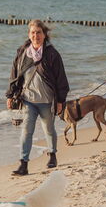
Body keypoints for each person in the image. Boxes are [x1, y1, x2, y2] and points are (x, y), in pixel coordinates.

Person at [6, 20, 69, 176]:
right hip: (28, 100)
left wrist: (61, 100)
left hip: (47, 101)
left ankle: (52, 155)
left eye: (39, 32)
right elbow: (14, 74)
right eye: (33, 32)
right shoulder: (22, 52)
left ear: (44, 34)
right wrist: (10, 94)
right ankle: (23, 164)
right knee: (26, 131)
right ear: (29, 34)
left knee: (49, 129)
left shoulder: (52, 54)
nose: (36, 35)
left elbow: (61, 78)